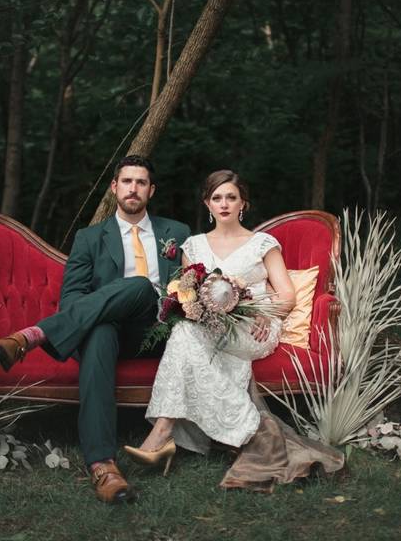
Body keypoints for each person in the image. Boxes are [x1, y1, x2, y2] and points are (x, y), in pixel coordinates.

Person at [0, 155, 189, 505]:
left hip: (160, 333)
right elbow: (72, 300)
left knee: (142, 286)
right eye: (126, 181)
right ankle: (103, 466)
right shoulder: (89, 237)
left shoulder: (176, 233)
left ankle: (34, 335)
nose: (133, 188)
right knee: (100, 331)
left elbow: (191, 286)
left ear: (151, 191)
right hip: (109, 332)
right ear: (114, 188)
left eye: (141, 182)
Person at [124, 169, 344, 490]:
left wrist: (264, 314)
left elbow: (286, 294)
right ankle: (169, 430)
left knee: (186, 337)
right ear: (207, 204)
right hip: (210, 326)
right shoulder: (194, 247)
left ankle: (161, 433)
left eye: (231, 197)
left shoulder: (262, 243)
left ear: (243, 203)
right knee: (185, 332)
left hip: (255, 328)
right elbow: (188, 294)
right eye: (217, 198)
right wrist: (192, 308)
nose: (224, 204)